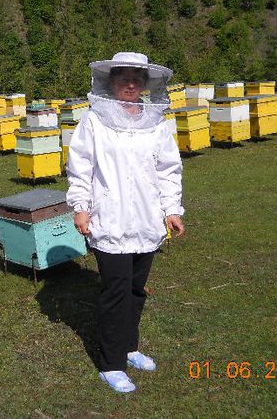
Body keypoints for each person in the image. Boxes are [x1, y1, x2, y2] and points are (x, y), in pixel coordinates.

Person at [66, 52, 184, 393]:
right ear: (111, 81)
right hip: (109, 220)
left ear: (145, 84)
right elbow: (81, 166)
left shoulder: (156, 122)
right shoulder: (94, 120)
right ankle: (111, 363)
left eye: (136, 78)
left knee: (135, 290)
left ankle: (129, 347)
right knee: (116, 292)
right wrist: (80, 206)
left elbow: (167, 169)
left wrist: (172, 210)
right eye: (124, 78)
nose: (130, 84)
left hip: (147, 221)